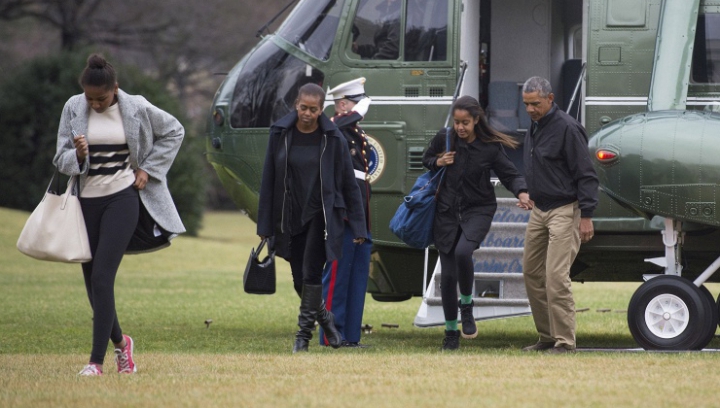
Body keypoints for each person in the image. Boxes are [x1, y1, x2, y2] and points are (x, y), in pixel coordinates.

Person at [54, 54, 186, 376]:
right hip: (85, 203)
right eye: (90, 98)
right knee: (92, 284)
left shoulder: (136, 106)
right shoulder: (73, 107)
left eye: (101, 98)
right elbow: (60, 156)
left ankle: (95, 363)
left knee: (102, 277)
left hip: (122, 197)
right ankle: (121, 344)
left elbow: (174, 131)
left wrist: (149, 169)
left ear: (115, 89)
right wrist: (78, 155)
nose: (95, 105)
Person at [257, 83, 368, 353]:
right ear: (296, 105)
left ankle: (303, 336)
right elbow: (268, 179)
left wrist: (358, 224)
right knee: (298, 279)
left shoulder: (333, 137)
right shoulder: (280, 133)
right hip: (290, 214)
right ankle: (326, 318)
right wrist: (265, 224)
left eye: (314, 109)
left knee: (311, 273)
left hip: (322, 216)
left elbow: (347, 182)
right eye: (304, 108)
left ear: (321, 110)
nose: (307, 113)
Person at [422, 95, 531, 351]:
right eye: (457, 122)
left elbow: (510, 174)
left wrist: (522, 192)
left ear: (475, 120)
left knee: (463, 252)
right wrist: (438, 161)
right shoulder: (445, 138)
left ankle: (467, 305)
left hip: (478, 210)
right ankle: (450, 333)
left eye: (465, 123)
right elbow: (426, 160)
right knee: (447, 278)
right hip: (446, 212)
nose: (460, 128)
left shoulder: (489, 147)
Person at [520, 76, 599, 354]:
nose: (530, 109)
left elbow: (586, 175)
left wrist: (586, 215)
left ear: (550, 99)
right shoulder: (536, 125)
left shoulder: (568, 128)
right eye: (527, 104)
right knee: (531, 273)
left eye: (535, 104)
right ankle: (547, 337)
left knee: (555, 276)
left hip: (566, 210)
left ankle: (565, 342)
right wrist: (530, 190)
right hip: (539, 209)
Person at [318, 78, 373, 348]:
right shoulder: (335, 128)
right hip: (344, 216)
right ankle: (331, 335)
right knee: (337, 279)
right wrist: (355, 112)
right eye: (354, 103)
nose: (361, 108)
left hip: (360, 216)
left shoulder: (354, 133)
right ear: (342, 105)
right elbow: (329, 125)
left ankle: (350, 335)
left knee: (356, 278)